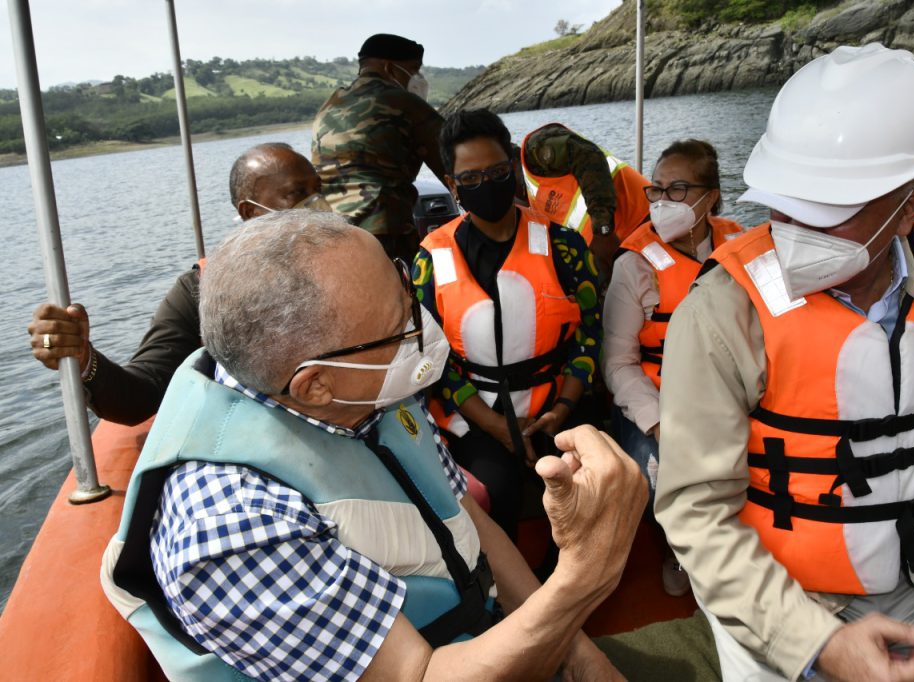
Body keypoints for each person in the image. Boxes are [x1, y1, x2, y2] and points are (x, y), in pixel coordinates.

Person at [100, 210, 645, 681]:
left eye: (404, 287)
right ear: (316, 383)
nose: (423, 326)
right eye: (399, 326)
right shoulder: (231, 527)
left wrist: (582, 660)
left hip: (478, 633)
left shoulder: (372, 392)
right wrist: (587, 573)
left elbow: (465, 522)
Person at [654, 43, 914, 682]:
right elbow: (695, 512)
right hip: (778, 590)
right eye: (784, 203)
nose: (795, 228)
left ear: (909, 207)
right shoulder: (720, 311)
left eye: (828, 212)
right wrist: (816, 643)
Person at [26, 142, 326, 425]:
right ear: (250, 211)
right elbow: (140, 396)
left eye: (318, 190)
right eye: (297, 193)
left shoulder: (356, 266)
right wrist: (83, 358)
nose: (317, 204)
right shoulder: (204, 292)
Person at [414, 110, 602, 541]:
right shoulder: (431, 259)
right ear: (452, 183)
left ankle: (572, 575)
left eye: (497, 172)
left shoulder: (564, 245)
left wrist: (563, 409)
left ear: (514, 167)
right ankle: (509, 592)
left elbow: (590, 334)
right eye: (471, 178)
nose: (487, 185)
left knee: (589, 486)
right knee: (492, 492)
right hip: (479, 415)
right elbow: (433, 359)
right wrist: (494, 425)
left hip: (559, 405)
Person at [602, 139, 743, 597]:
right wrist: (660, 423)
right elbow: (619, 364)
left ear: (712, 196)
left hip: (734, 393)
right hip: (661, 401)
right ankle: (675, 548)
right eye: (656, 189)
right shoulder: (634, 265)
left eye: (678, 189)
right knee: (659, 471)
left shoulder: (743, 247)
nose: (663, 202)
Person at [312, 33, 445, 264]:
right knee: (400, 296)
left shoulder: (329, 105)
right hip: (384, 231)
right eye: (413, 69)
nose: (417, 78)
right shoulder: (400, 101)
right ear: (390, 68)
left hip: (331, 233)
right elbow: (454, 156)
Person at [520, 123, 651, 274]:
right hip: (625, 249)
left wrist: (603, 232)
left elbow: (587, 154)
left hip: (642, 218)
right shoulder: (534, 202)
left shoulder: (535, 151)